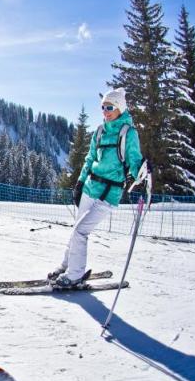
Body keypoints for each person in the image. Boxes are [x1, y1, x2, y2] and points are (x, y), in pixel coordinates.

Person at [49, 88, 144, 287]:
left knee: (81, 231)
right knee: (77, 229)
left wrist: (143, 170)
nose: (105, 111)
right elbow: (90, 159)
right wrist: (80, 183)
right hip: (90, 188)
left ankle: (75, 275)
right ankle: (66, 266)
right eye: (103, 107)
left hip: (109, 193)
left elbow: (135, 163)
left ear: (120, 108)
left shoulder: (128, 133)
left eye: (110, 107)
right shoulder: (100, 131)